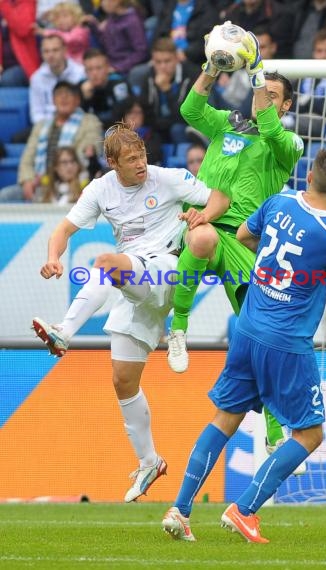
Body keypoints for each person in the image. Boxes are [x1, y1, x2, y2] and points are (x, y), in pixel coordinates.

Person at [162, 148, 326, 543]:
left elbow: (242, 235)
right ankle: (244, 509)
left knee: (225, 418)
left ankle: (180, 509)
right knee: (310, 435)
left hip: (248, 326)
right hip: (287, 342)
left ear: (308, 176)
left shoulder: (278, 202)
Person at [31, 123, 230, 502]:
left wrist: (203, 216)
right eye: (131, 159)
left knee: (106, 261)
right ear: (112, 163)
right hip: (136, 282)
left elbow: (220, 196)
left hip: (168, 271)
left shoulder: (168, 178)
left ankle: (64, 332)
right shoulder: (100, 190)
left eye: (142, 155)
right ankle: (150, 460)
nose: (141, 164)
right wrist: (53, 256)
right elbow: (63, 229)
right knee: (123, 380)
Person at [166, 30, 304, 457]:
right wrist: (212, 67)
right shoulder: (228, 124)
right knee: (202, 236)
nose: (262, 98)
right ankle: (179, 329)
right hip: (200, 225)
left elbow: (267, 125)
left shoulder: (287, 145)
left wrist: (258, 70)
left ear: (285, 105)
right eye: (262, 90)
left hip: (245, 245)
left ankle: (276, 429)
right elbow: (189, 108)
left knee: (261, 338)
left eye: (272, 95)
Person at [0, 80, 102, 202]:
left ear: (78, 100)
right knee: (5, 196)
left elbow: (88, 152)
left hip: (74, 182)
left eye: (68, 94)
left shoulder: (89, 121)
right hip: (40, 183)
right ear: (53, 100)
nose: (63, 98)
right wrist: (28, 180)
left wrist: (61, 175)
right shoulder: (41, 126)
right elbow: (27, 158)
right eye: (59, 94)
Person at [29, 34, 85, 125]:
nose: (50, 55)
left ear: (65, 50)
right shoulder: (36, 78)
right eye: (46, 51)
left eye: (55, 50)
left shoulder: (81, 73)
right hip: (47, 126)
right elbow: (36, 113)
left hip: (77, 124)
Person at [80, 48, 132, 130]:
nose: (94, 73)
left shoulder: (118, 84)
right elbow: (76, 120)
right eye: (90, 69)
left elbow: (123, 117)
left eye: (98, 68)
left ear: (107, 68)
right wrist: (85, 99)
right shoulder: (82, 87)